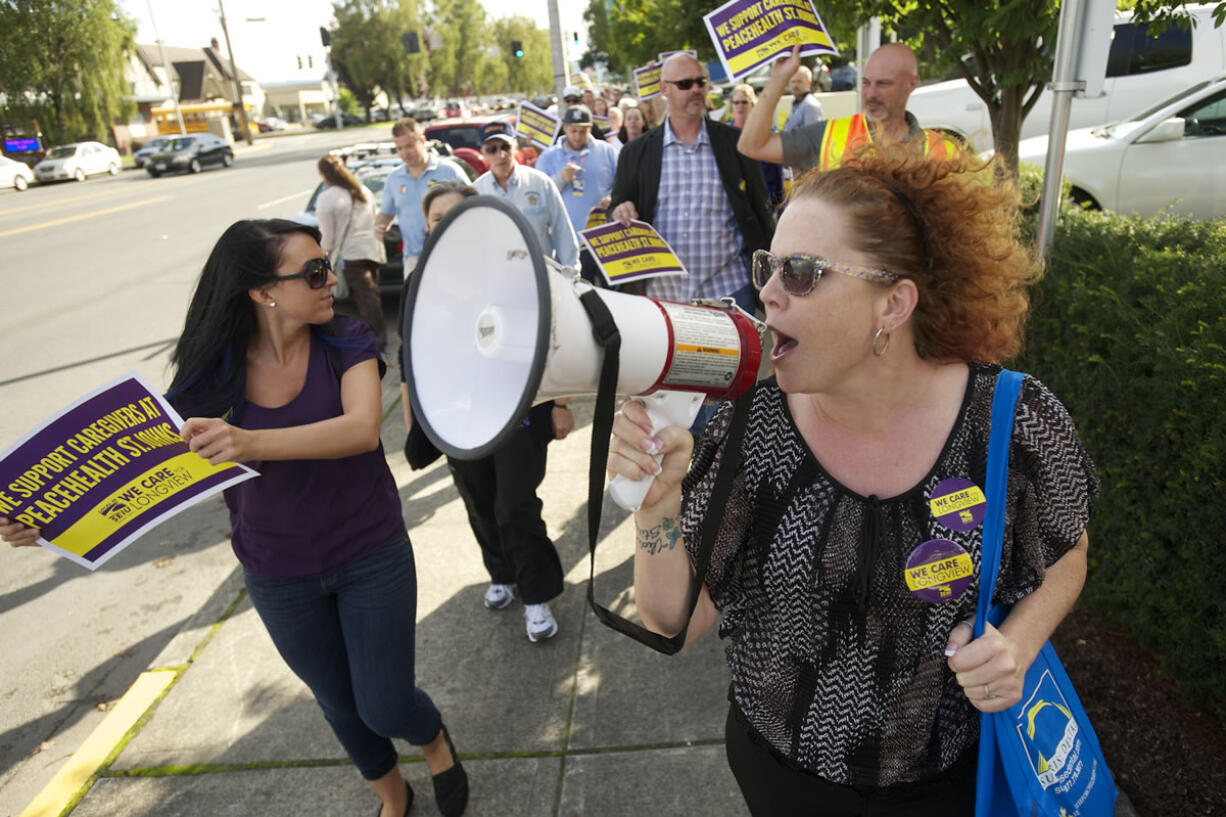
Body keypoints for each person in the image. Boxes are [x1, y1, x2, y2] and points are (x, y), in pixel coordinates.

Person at [606, 144, 1098, 816]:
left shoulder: (1010, 420)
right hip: (778, 772)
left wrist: (1019, 641)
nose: (768, 292)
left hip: (945, 781)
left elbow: (1068, 550)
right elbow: (671, 619)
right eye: (769, 267)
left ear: (893, 304)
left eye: (803, 273)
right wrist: (656, 510)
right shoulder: (749, 421)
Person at [1, 219, 471, 817]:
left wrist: (250, 443)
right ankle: (392, 795)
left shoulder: (347, 340)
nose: (330, 280)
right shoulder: (211, 372)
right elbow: (140, 472)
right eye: (314, 272)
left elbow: (359, 431)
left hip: (369, 554)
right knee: (338, 702)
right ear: (262, 291)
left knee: (383, 704)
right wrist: (46, 525)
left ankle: (434, 746)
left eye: (325, 265)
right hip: (278, 573)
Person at [469, 125, 578, 640]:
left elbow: (565, 241)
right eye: (488, 149)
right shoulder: (477, 197)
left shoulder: (539, 185)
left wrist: (558, 399)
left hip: (528, 380)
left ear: (516, 152)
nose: (497, 156)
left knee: (515, 501)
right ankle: (502, 573)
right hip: (474, 397)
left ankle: (537, 593)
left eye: (503, 148)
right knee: (480, 497)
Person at [609, 52, 774, 315]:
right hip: (662, 300)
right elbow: (617, 207)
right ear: (664, 89)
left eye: (701, 82)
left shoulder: (736, 144)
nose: (696, 90)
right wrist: (620, 210)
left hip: (730, 293)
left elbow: (760, 211)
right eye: (685, 84)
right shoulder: (636, 152)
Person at [739, 44, 953, 174]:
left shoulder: (944, 152)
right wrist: (779, 79)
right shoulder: (828, 136)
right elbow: (751, 145)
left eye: (883, 84)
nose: (870, 94)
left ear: (912, 84)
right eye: (866, 82)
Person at [473, 121, 579, 270]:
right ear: (482, 152)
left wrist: (571, 272)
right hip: (496, 279)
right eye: (492, 149)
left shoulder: (540, 183)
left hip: (542, 277)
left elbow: (562, 231)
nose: (500, 155)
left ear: (515, 146)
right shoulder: (476, 193)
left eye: (505, 147)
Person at [375, 118, 468, 274]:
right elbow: (386, 214)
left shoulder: (450, 171)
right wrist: (379, 227)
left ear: (423, 141)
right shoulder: (394, 179)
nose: (405, 153)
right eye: (399, 148)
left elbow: (473, 205)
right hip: (414, 260)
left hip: (451, 255)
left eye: (410, 146)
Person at [316, 155, 387, 345]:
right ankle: (378, 335)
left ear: (324, 174)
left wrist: (324, 255)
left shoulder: (327, 197)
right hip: (372, 250)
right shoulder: (364, 191)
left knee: (360, 298)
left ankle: (374, 338)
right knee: (371, 295)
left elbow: (327, 237)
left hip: (350, 254)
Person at [535, 105, 620, 235]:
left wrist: (612, 198)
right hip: (564, 236)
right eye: (573, 131)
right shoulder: (548, 157)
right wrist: (560, 178)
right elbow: (539, 195)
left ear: (590, 128)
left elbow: (623, 184)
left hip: (603, 234)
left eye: (582, 131)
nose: (577, 137)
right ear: (565, 128)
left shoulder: (607, 152)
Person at [726, 86, 785, 210]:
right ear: (731, 105)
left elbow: (777, 169)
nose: (740, 106)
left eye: (744, 102)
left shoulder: (767, 132)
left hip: (763, 200)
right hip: (733, 202)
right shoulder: (723, 134)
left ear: (752, 104)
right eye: (736, 102)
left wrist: (777, 201)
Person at [784, 64, 826, 132]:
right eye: (793, 81)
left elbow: (811, 137)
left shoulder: (810, 106)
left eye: (799, 81)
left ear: (809, 83)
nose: (795, 85)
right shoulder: (797, 104)